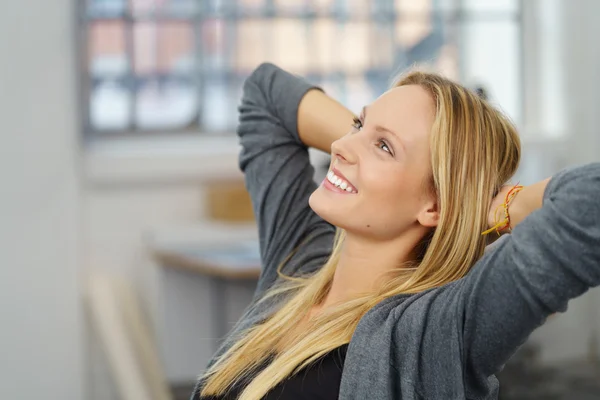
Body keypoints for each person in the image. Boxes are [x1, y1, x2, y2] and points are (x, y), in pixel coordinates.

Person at [192, 63, 600, 400]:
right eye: (357, 125)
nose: (339, 147)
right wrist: (372, 138)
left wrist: (488, 202)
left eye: (385, 148)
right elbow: (265, 97)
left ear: (435, 205)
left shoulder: (436, 335)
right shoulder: (298, 263)